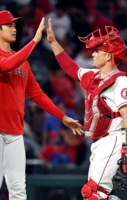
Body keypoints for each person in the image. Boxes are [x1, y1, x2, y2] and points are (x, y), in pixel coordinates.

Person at [0, 10, 84, 200]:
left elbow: (37, 93)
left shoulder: (24, 63)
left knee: (19, 189)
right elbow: (6, 66)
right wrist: (35, 41)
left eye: (15, 26)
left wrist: (63, 117)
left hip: (14, 131)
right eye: (9, 25)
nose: (14, 29)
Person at [46, 18, 127, 200]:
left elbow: (126, 115)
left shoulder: (120, 81)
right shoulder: (94, 77)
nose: (92, 54)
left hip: (114, 140)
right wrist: (53, 43)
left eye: (97, 51)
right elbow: (71, 69)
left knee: (92, 193)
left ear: (108, 56)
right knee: (99, 194)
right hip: (99, 143)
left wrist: (125, 147)